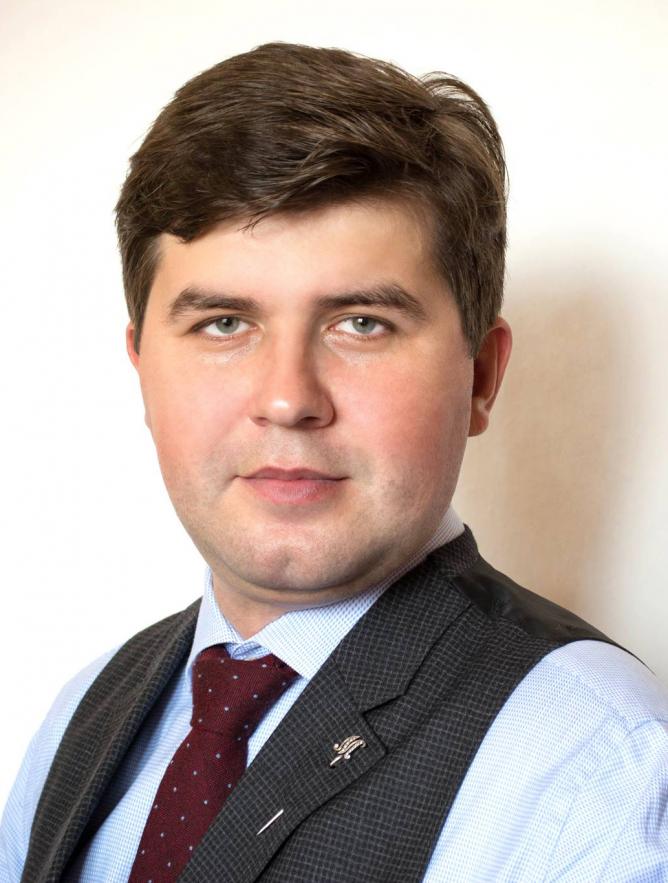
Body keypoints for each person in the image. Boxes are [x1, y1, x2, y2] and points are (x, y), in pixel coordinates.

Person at [1, 41, 667, 883]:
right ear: (143, 371)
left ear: (480, 377)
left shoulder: (602, 775)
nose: (288, 399)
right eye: (223, 324)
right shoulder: (82, 718)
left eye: (362, 323)